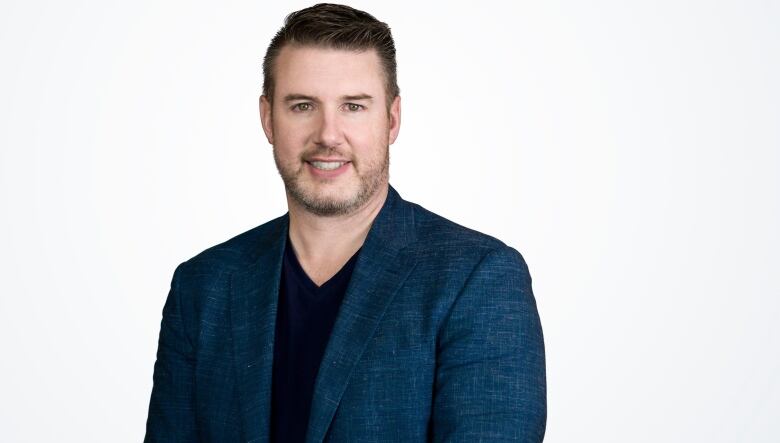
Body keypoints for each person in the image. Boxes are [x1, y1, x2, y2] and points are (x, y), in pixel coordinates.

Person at [144, 3, 546, 442]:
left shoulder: (477, 278)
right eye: (302, 106)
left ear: (391, 119)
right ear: (267, 119)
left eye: (353, 106)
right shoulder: (203, 288)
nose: (328, 134)